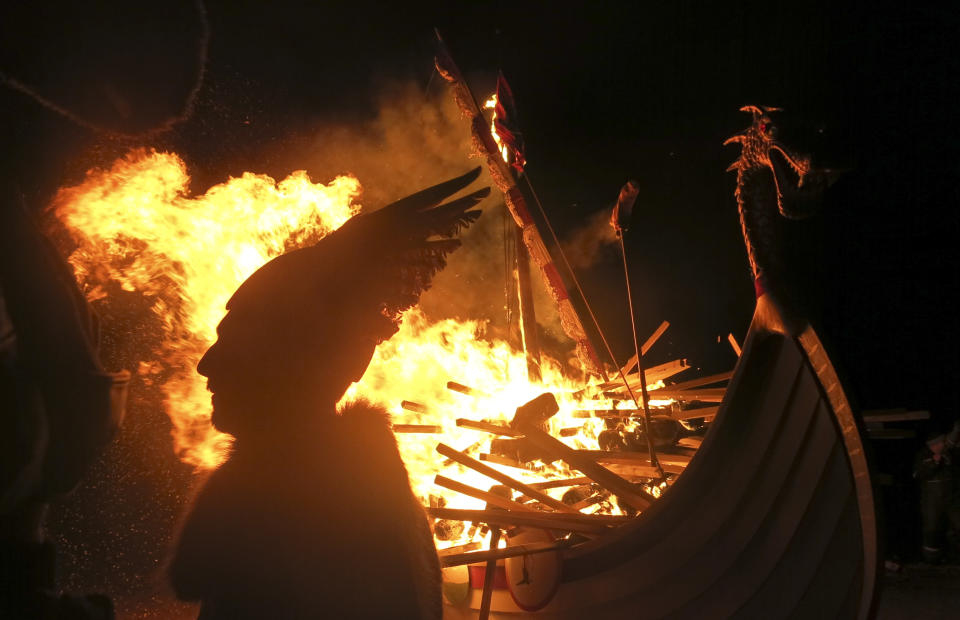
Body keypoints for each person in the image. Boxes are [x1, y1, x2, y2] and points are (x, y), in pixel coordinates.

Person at [168, 169, 488, 618]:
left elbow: (190, 576)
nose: (207, 364)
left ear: (284, 367)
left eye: (233, 344)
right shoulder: (379, 493)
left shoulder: (265, 499)